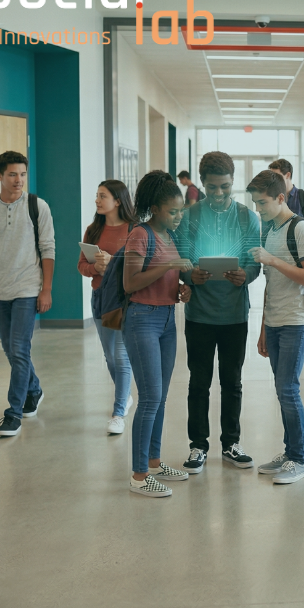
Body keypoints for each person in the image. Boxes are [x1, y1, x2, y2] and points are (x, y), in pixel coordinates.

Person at [176, 152, 261, 474]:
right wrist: (189, 275)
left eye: (225, 187)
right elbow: (182, 258)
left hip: (235, 314)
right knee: (199, 382)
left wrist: (247, 275)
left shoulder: (247, 217)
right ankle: (198, 445)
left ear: (233, 182)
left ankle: (231, 443)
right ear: (202, 184)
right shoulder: (189, 216)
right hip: (199, 314)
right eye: (213, 188)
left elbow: (255, 261)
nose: (220, 193)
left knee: (232, 382)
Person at [0, 151, 56, 438]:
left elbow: (48, 248)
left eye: (22, 174)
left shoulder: (37, 206)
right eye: (12, 174)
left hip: (27, 289)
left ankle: (13, 413)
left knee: (20, 349)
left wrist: (45, 289)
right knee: (10, 350)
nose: (18, 180)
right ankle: (33, 389)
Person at [123, 171, 193, 498]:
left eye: (181, 211)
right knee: (149, 397)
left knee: (160, 397)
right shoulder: (141, 234)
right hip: (142, 320)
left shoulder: (168, 236)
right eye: (172, 211)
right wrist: (169, 267)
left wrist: (180, 289)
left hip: (167, 318)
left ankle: (153, 461)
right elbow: (131, 282)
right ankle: (139, 476)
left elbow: (166, 277)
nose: (178, 217)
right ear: (156, 208)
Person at [248, 169, 304, 485]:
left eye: (262, 203)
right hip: (276, 320)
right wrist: (264, 327)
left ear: (280, 198)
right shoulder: (270, 230)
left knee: (287, 389)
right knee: (281, 389)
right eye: (254, 203)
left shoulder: (300, 229)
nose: (258, 209)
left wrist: (272, 260)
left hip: (297, 320)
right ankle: (289, 452)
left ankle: (300, 458)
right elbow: (270, 285)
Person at [78, 180, 136, 434]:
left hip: (123, 300)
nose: (97, 200)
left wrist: (114, 263)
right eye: (97, 196)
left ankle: (118, 412)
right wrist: (96, 268)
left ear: (118, 201)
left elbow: (141, 266)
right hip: (100, 297)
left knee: (122, 356)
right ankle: (125, 397)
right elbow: (82, 265)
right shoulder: (93, 229)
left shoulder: (135, 229)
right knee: (109, 356)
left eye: (103, 196)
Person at [268, 159, 304, 233]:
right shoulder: (271, 198)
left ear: (288, 175)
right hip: (277, 243)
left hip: (300, 243)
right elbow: (267, 228)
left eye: (277, 176)